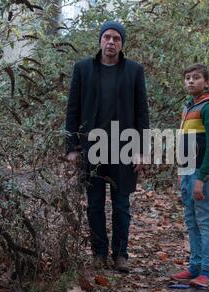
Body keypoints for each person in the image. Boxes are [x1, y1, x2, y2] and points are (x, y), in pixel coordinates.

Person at [65, 21, 149, 273]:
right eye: (107, 37)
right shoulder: (83, 69)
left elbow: (141, 113)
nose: (111, 42)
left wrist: (142, 149)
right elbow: (73, 110)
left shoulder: (134, 71)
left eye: (116, 39)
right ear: (100, 40)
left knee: (121, 204)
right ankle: (99, 254)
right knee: (94, 203)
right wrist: (71, 147)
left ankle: (120, 254)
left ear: (122, 44)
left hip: (124, 147)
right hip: (92, 147)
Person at [172, 64, 209, 288]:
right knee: (191, 220)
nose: (191, 81)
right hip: (187, 170)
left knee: (206, 220)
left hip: (203, 172)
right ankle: (195, 267)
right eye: (187, 78)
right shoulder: (188, 107)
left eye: (196, 78)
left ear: (207, 82)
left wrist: (201, 178)